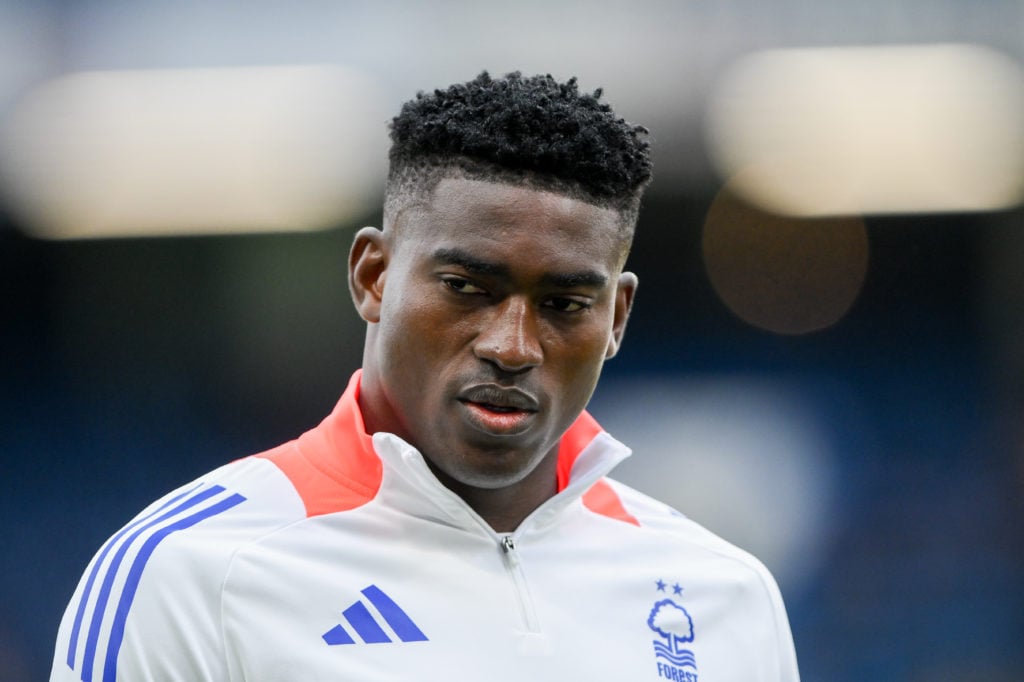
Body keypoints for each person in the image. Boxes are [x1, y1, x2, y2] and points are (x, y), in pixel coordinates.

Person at [52, 71, 800, 681]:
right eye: (467, 288)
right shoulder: (187, 575)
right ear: (373, 276)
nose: (512, 346)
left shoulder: (722, 594)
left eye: (565, 303)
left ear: (618, 318)